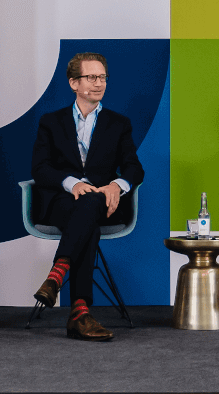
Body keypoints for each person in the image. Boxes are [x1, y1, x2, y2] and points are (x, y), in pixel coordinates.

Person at [31, 52, 145, 342]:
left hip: (105, 204)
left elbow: (134, 167)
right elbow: (40, 169)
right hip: (61, 203)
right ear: (74, 83)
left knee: (92, 203)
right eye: (92, 77)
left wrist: (117, 185)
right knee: (86, 220)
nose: (99, 83)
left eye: (103, 77)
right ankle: (80, 312)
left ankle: (58, 274)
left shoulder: (118, 123)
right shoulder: (51, 122)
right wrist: (72, 184)